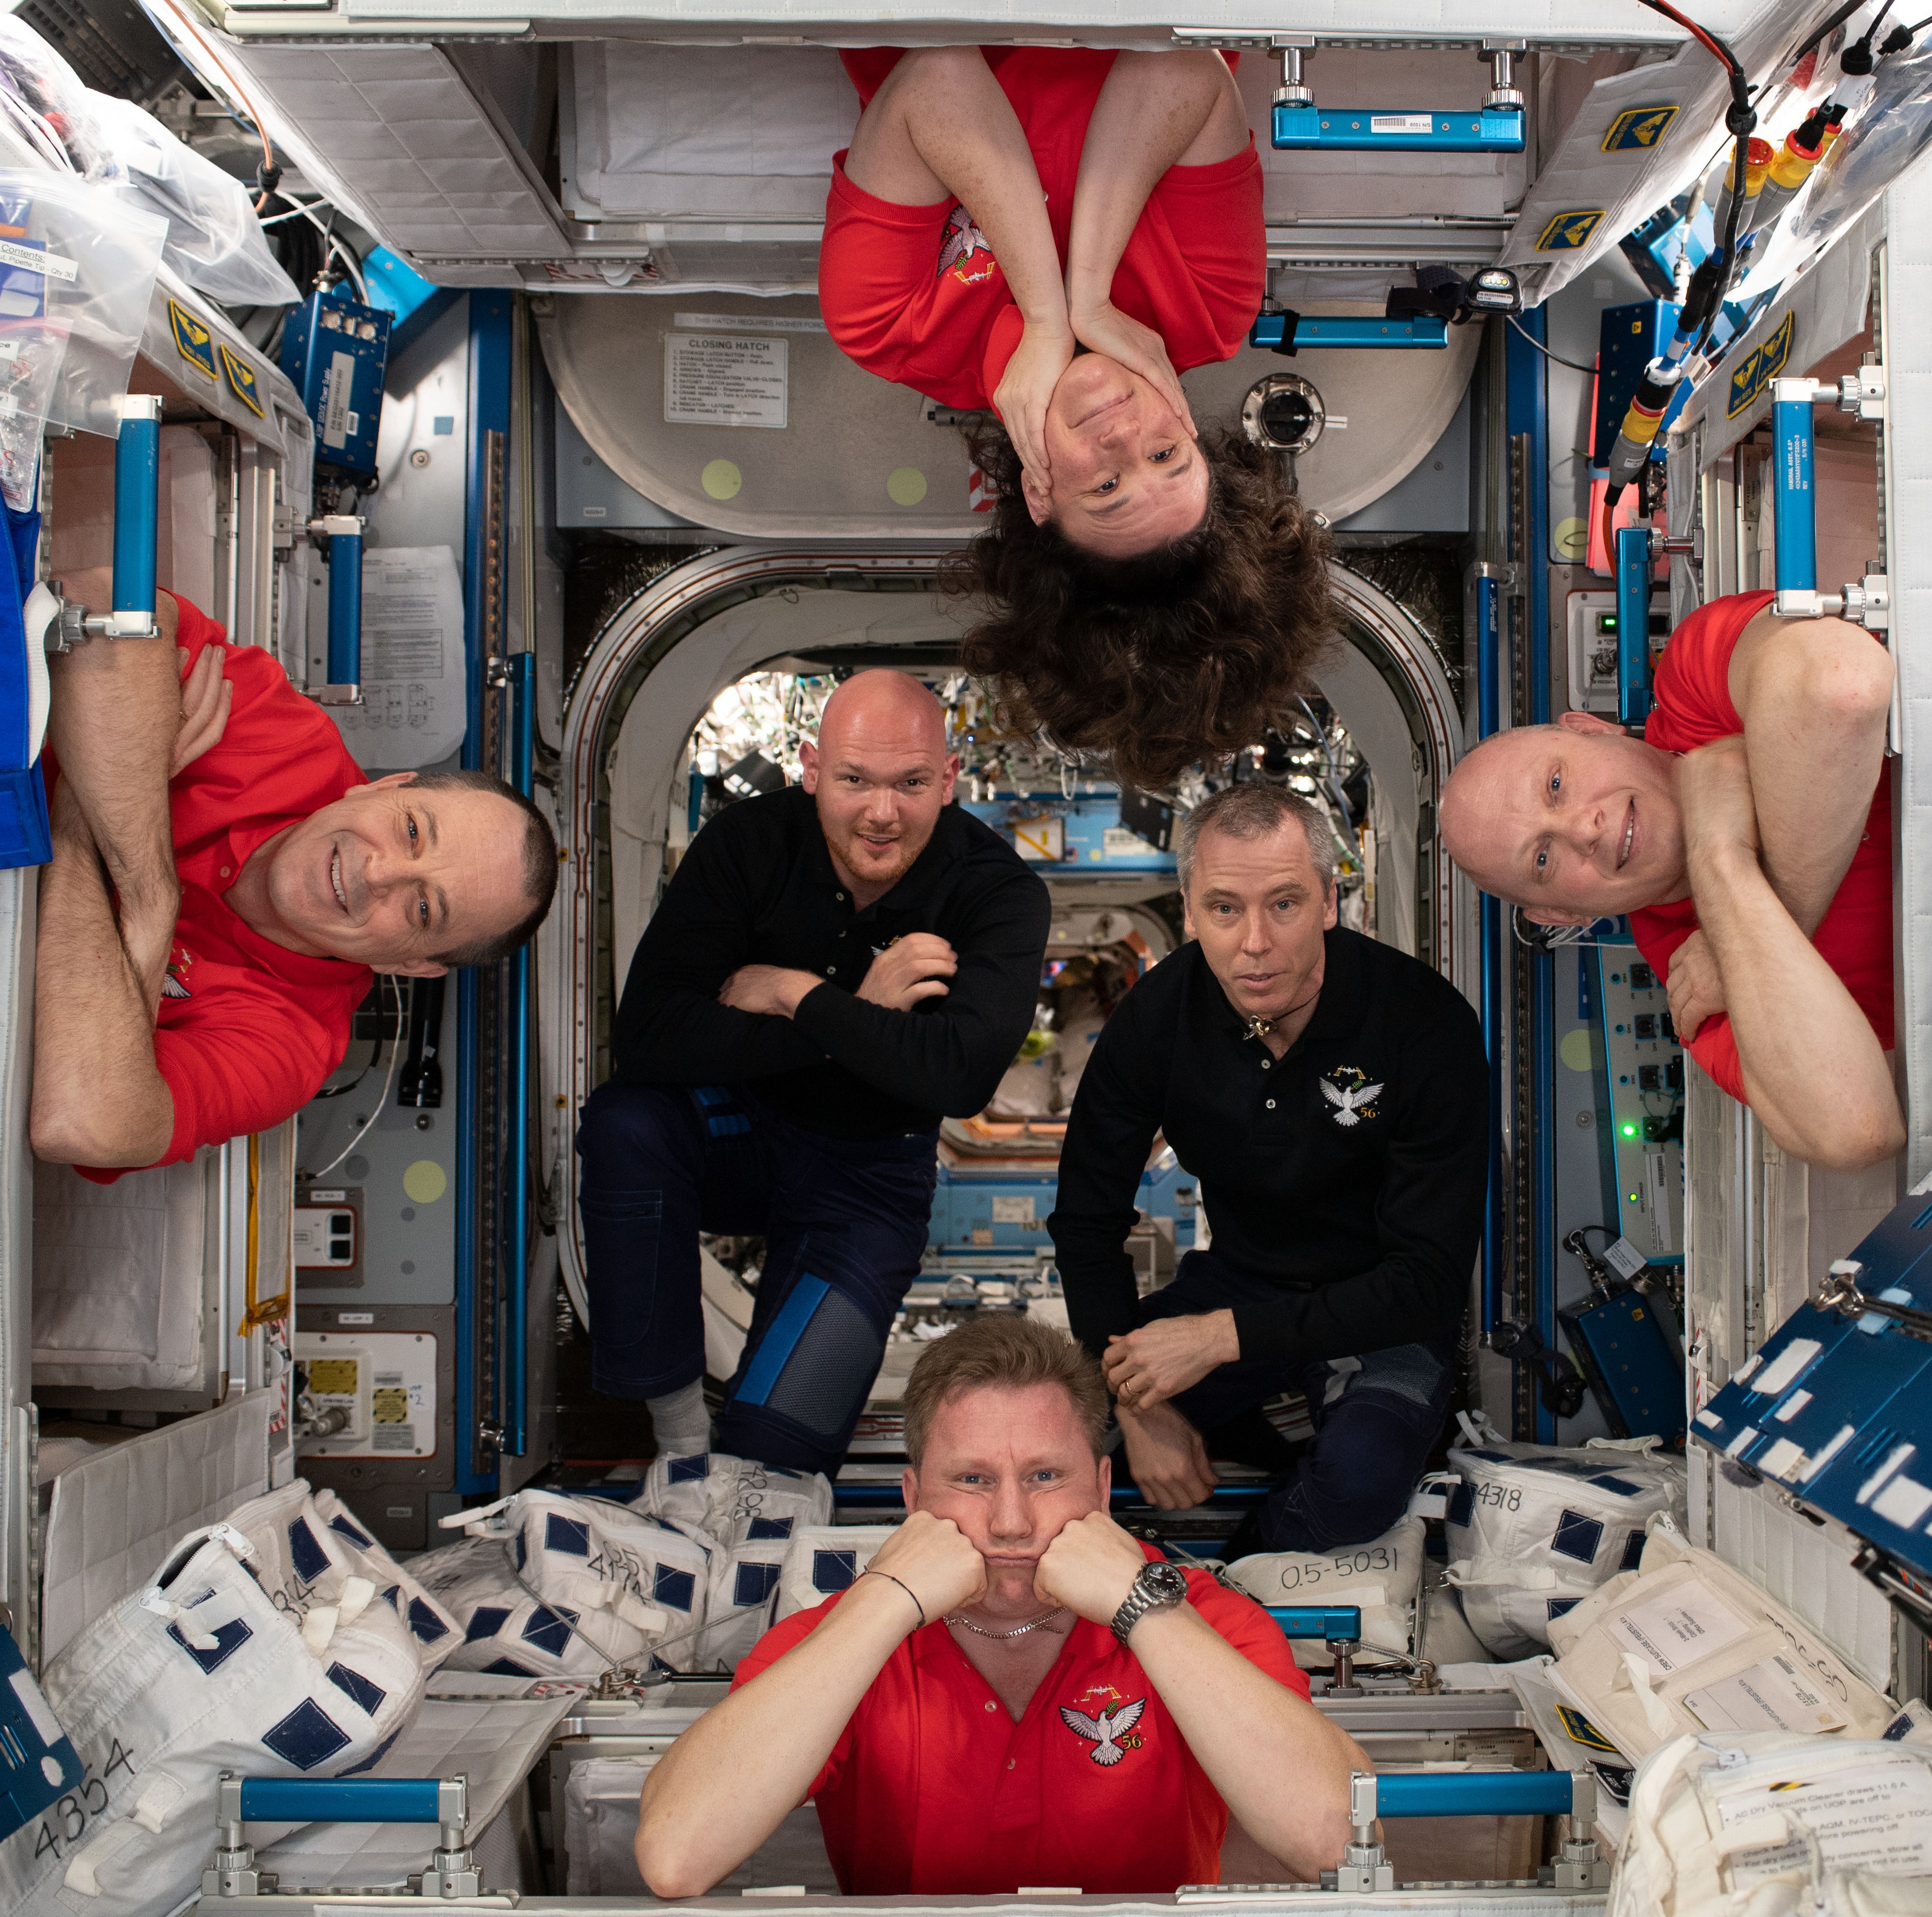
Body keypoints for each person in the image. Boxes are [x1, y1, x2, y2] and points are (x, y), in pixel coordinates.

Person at [634, 1316, 1364, 1896]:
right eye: (973, 1479)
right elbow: (675, 1853)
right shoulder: (844, 1637)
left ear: (1103, 1487)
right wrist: (885, 1599)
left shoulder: (1195, 1618)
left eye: (1045, 1474)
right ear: (914, 1499)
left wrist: (1139, 1607)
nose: (1012, 1520)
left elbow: (1336, 1838)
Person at [821, 46, 1333, 788]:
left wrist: (1043, 315)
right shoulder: (1212, 309)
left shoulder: (887, 328)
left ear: (1039, 496)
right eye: (1167, 457)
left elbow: (938, 76)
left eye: (1106, 487)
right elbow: (1180, 66)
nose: (1125, 432)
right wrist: (1086, 295)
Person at [579, 670, 1051, 1474]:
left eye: (909, 783)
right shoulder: (747, 846)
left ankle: (751, 1469)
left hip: (868, 1181)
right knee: (627, 1118)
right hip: (742, 1136)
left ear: (947, 777)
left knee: (775, 1462)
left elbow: (958, 1077)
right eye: (853, 780)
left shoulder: (997, 890)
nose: (880, 811)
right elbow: (651, 1036)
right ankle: (677, 1432)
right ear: (809, 768)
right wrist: (859, 1009)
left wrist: (794, 993)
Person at [1051, 784, 1487, 1548]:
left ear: (1328, 900)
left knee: (1358, 1479)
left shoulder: (1420, 1021)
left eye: (1283, 904)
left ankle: (1232, 1594)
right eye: (1224, 908)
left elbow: (1426, 1281)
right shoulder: (1156, 1020)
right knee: (1052, 1444)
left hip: (1382, 1302)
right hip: (1242, 1279)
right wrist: (1137, 1408)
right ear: (1188, 910)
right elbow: (1087, 1223)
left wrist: (1218, 1338)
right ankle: (1268, 1429)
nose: (1254, 941)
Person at [31, 575, 556, 1177]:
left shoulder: (288, 1047)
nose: (377, 872)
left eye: (422, 909)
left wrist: (98, 822)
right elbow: (106, 604)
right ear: (386, 786)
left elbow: (84, 1125)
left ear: (412, 966)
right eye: (412, 831)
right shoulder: (284, 736)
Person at [1438, 591, 1901, 1173]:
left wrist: (1745, 947)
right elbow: (1856, 1131)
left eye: (1556, 785)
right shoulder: (1695, 994)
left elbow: (1845, 681)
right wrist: (1720, 862)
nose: (1583, 828)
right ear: (1563, 919)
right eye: (1542, 860)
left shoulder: (1693, 686)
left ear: (1591, 730)